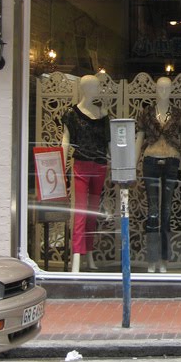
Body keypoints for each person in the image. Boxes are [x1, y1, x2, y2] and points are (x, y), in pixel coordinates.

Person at [135, 76, 181, 274]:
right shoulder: (146, 113)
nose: (163, 91)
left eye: (167, 88)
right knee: (153, 211)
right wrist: (131, 165)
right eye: (160, 88)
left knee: (167, 212)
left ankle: (164, 259)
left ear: (171, 90)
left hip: (171, 161)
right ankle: (152, 260)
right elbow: (139, 139)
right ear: (155, 89)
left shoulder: (179, 114)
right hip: (150, 161)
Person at [62, 74, 110, 273]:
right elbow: (66, 140)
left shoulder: (103, 114)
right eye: (96, 86)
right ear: (86, 88)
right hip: (81, 165)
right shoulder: (71, 114)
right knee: (80, 212)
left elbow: (108, 143)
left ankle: (88, 254)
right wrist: (60, 164)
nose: (98, 90)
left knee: (92, 212)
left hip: (100, 166)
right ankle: (76, 257)